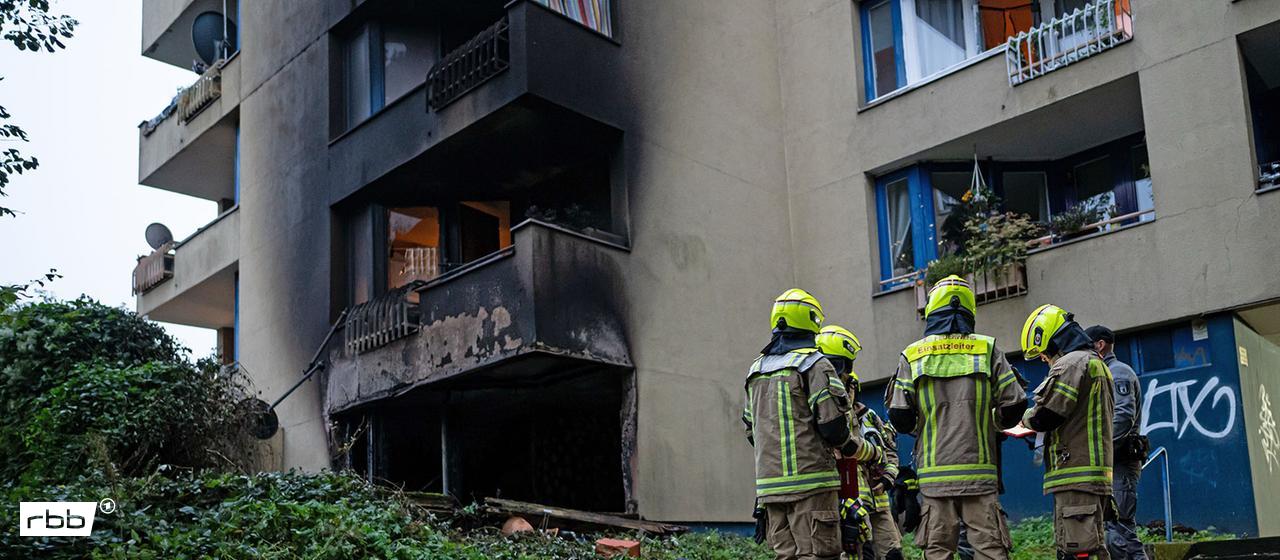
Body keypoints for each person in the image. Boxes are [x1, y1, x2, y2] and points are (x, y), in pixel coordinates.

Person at [886, 276, 1026, 560]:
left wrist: (922, 428)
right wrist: (992, 422)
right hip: (980, 475)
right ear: (970, 309)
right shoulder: (987, 349)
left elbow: (899, 416)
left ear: (932, 310)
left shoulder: (913, 355)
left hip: (935, 479)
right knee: (990, 551)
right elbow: (1015, 405)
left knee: (938, 552)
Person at [744, 289, 882, 560]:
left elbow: (751, 430)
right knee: (819, 555)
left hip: (770, 490)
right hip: (813, 486)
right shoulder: (815, 365)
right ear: (811, 321)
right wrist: (858, 450)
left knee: (786, 556)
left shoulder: (755, 371)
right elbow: (833, 428)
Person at [1020, 305, 1116, 560]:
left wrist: (1025, 420)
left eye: (1042, 352)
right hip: (1092, 472)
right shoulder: (1096, 363)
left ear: (1052, 339)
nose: (1043, 358)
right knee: (1092, 547)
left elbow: (1046, 415)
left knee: (1077, 551)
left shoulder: (1072, 363)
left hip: (1076, 473)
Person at [815, 325, 904, 560]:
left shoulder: (869, 416)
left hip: (878, 501)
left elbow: (890, 451)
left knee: (893, 554)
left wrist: (887, 478)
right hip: (848, 499)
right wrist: (872, 453)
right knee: (859, 554)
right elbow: (843, 449)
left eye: (852, 385)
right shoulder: (827, 410)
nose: (849, 388)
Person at [1086, 325, 1149, 560]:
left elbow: (1123, 416)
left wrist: (1099, 450)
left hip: (1120, 461)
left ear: (1100, 345)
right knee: (1114, 529)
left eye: (1087, 345)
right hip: (1113, 461)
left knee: (1120, 529)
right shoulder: (1106, 372)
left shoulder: (1118, 372)